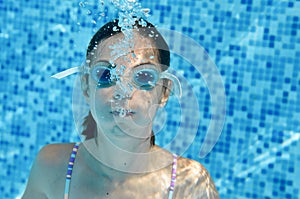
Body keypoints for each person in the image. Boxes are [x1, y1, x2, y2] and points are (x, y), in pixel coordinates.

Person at [22, 18, 219, 199]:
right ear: (86, 86)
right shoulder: (52, 168)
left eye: (143, 77)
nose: (123, 92)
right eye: (105, 75)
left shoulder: (190, 185)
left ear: (164, 92)